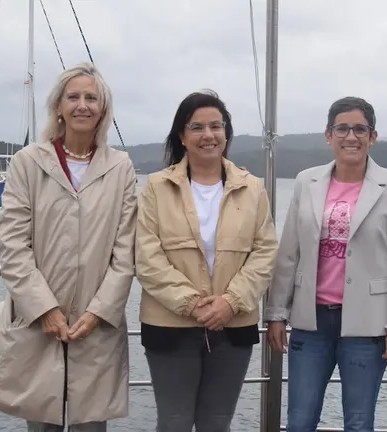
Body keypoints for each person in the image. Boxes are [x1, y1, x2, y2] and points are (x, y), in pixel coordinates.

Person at [0, 62, 138, 432]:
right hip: (37, 323)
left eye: (91, 97)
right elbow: (13, 241)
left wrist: (98, 312)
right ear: (58, 107)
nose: (83, 105)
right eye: (73, 96)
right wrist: (44, 308)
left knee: (92, 425)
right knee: (41, 423)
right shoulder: (28, 162)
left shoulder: (121, 167)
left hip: (97, 326)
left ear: (103, 108)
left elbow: (125, 252)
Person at [265, 96, 387, 432]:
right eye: (342, 128)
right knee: (300, 419)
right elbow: (289, 251)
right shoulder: (307, 181)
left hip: (367, 326)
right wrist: (276, 313)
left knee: (359, 421)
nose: (351, 136)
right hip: (311, 321)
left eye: (360, 129)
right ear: (328, 135)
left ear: (373, 136)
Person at [135, 90, 278, 431]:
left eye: (216, 125)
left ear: (226, 133)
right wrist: (192, 304)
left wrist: (230, 302)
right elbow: (146, 255)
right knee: (174, 421)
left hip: (233, 323)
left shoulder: (253, 188)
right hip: (169, 322)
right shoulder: (156, 187)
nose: (208, 135)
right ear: (182, 136)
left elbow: (265, 251)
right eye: (196, 127)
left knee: (217, 421)